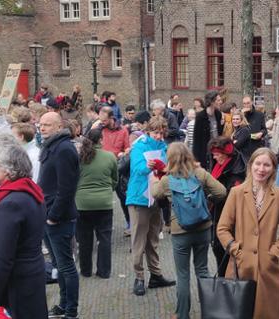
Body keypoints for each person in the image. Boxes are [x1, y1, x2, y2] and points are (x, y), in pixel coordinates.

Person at [0, 135, 48, 319]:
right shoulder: (29, 190)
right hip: (31, 277)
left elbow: (2, 257)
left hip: (14, 284)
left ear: (8, 169)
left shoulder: (10, 203)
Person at [216, 147, 279, 319]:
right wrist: (236, 250)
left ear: (274, 168)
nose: (261, 169)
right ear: (251, 165)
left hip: (268, 270)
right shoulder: (237, 193)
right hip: (240, 267)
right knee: (239, 312)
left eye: (267, 165)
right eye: (258, 164)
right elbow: (222, 228)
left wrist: (274, 253)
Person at [151, 142, 227, 319]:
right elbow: (221, 192)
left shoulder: (166, 180)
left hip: (180, 231)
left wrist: (155, 180)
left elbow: (155, 194)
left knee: (183, 275)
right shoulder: (200, 173)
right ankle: (212, 311)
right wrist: (207, 199)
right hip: (203, 229)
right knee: (202, 269)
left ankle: (182, 314)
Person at [37, 112, 81, 318]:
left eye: (47, 125)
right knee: (59, 265)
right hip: (48, 214)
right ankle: (63, 305)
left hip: (58, 218)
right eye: (40, 124)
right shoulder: (52, 146)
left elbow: (67, 188)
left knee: (66, 266)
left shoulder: (64, 149)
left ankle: (71, 310)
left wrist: (53, 216)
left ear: (58, 126)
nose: (42, 128)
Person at [126, 117, 176, 296]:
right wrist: (148, 166)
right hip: (139, 197)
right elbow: (137, 169)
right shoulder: (140, 146)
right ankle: (139, 277)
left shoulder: (163, 146)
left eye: (162, 133)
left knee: (153, 238)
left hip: (155, 197)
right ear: (148, 131)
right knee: (139, 239)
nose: (159, 136)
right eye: (156, 132)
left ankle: (155, 275)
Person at [75, 129, 118, 279]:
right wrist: (107, 190)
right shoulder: (110, 156)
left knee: (84, 238)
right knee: (104, 238)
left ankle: (86, 271)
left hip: (82, 203)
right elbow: (115, 179)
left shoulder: (79, 157)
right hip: (104, 202)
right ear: (101, 139)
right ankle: (104, 271)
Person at [207, 136, 246, 276]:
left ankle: (231, 280)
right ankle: (223, 277)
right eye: (214, 154)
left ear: (226, 153)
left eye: (217, 154)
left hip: (229, 216)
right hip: (217, 212)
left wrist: (214, 195)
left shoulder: (236, 170)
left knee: (228, 248)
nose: (215, 157)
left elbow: (233, 195)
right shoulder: (218, 164)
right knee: (217, 248)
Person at [193, 92, 224, 169]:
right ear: (211, 102)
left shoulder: (218, 114)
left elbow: (219, 132)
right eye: (218, 100)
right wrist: (196, 158)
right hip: (205, 151)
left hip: (217, 149)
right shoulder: (200, 116)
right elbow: (196, 139)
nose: (221, 102)